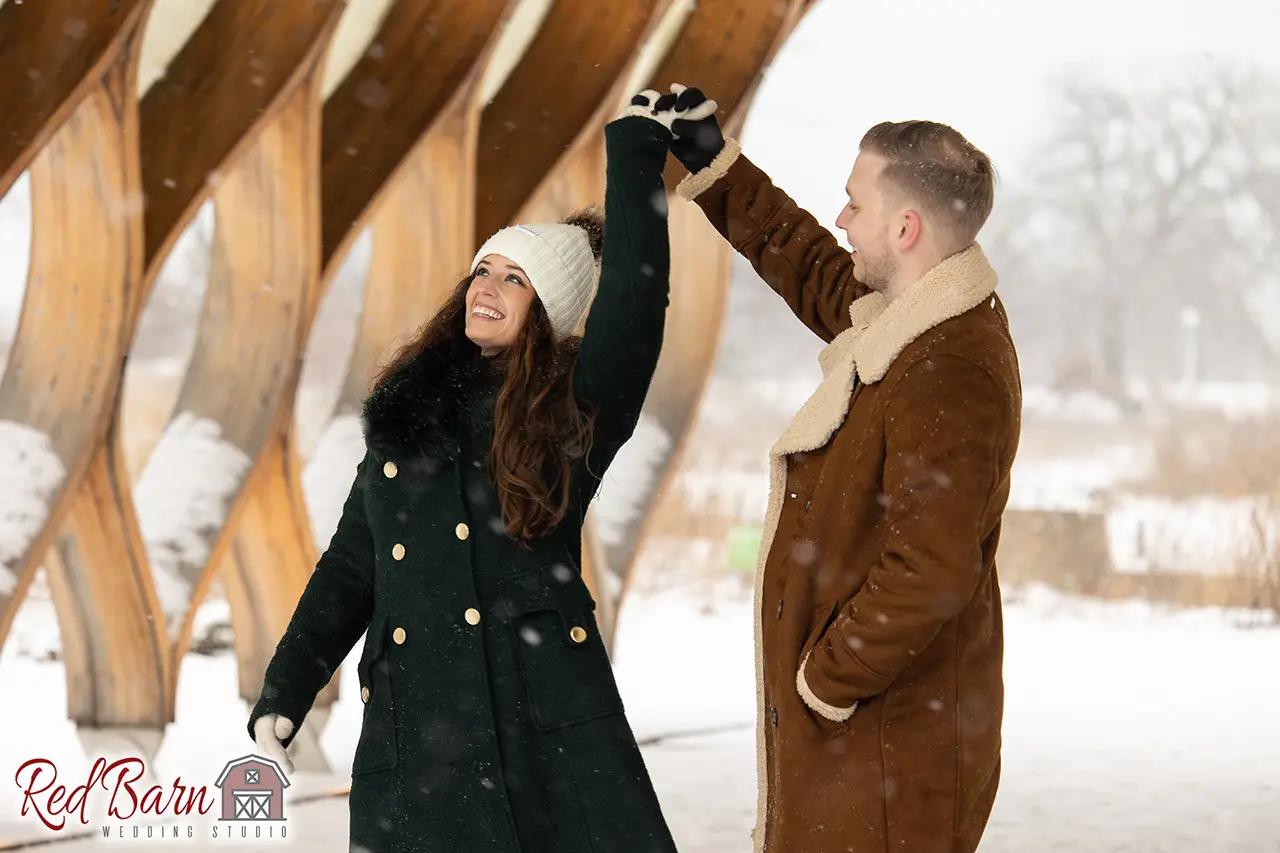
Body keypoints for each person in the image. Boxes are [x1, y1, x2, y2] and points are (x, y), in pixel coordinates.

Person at [244, 87, 712, 852]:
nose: (486, 286)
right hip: (414, 733)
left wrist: (634, 159)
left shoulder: (571, 411)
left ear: (548, 310)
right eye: (482, 269)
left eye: (514, 277)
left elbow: (632, 306)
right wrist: (286, 692)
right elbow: (351, 567)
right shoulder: (406, 414)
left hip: (535, 724)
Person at [655, 85, 1022, 852]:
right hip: (871, 743)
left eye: (856, 203)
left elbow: (932, 567)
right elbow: (816, 270)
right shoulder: (906, 322)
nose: (842, 217)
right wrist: (714, 165)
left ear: (907, 226)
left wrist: (828, 677)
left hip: (892, 748)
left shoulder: (951, 364)